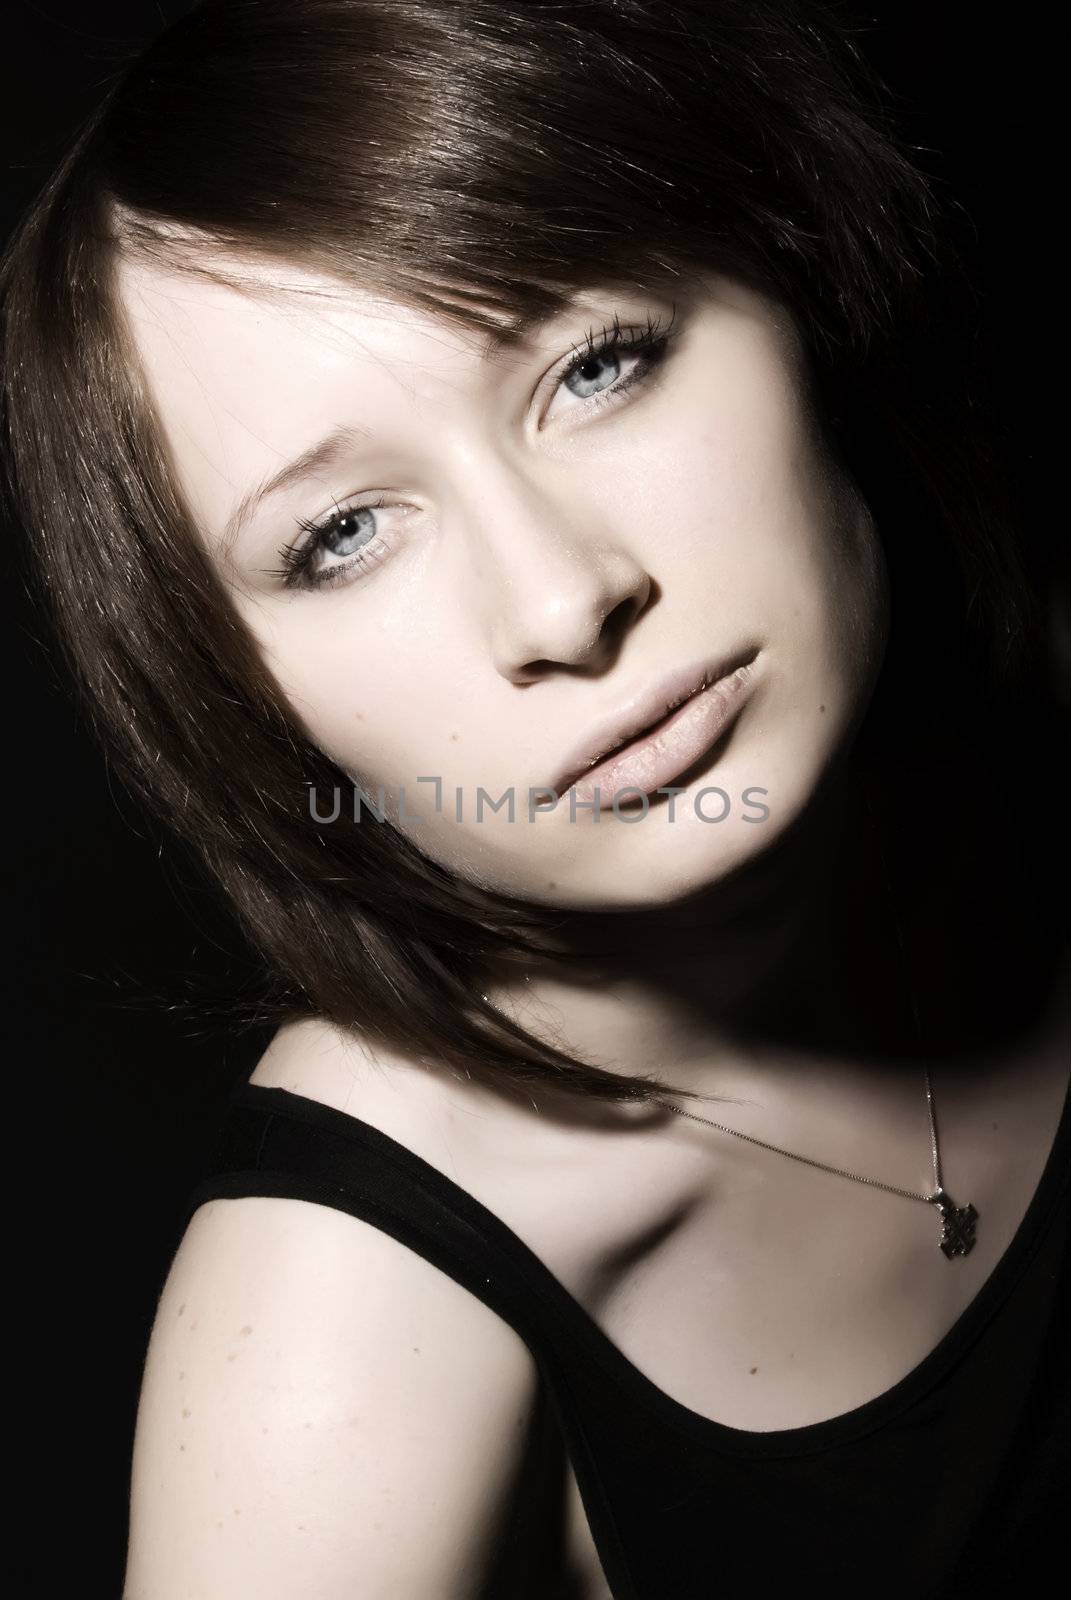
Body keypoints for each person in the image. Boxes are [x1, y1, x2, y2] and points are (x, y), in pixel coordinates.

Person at [3, 2, 1068, 1596]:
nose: (565, 601)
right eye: (344, 533)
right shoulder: (333, 1338)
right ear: (233, 691)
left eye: (596, 364)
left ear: (799, 282)